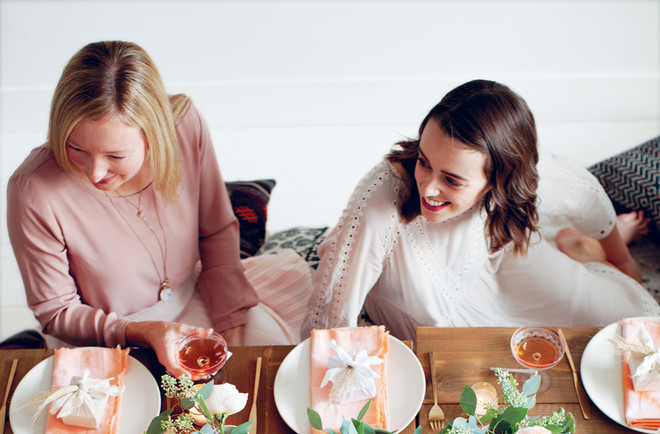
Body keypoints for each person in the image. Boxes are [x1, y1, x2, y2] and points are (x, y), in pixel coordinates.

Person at [7, 41, 311, 373]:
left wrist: (232, 325)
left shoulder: (185, 126)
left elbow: (217, 231)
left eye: (116, 156)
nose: (94, 172)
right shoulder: (33, 189)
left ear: (154, 136)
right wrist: (143, 332)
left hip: (199, 294)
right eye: (76, 148)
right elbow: (57, 312)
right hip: (105, 332)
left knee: (274, 377)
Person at [303, 79, 659, 341]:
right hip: (431, 307)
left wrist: (622, 259)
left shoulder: (519, 171)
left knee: (633, 329)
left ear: (497, 180)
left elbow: (586, 196)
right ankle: (577, 247)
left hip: (504, 256)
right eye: (424, 162)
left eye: (452, 180)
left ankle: (580, 246)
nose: (428, 188)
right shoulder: (379, 204)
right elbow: (330, 313)